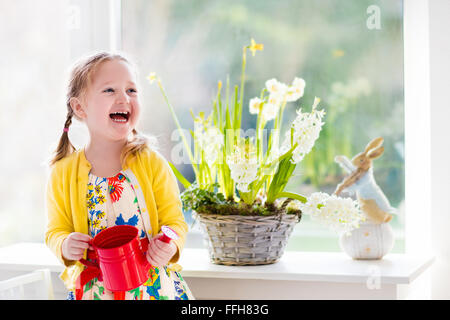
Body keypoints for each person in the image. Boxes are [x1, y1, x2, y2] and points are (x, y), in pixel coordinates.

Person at [45, 51, 194, 300]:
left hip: (154, 288)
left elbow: (176, 222)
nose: (124, 98)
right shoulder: (63, 172)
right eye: (109, 90)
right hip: (95, 291)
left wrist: (169, 245)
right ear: (80, 107)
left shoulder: (152, 163)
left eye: (131, 90)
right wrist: (64, 244)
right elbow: (55, 230)